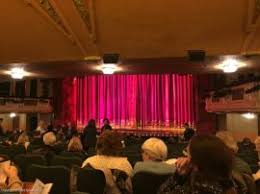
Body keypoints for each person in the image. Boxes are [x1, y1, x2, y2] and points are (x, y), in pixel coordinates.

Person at [158, 135, 237, 194]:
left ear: (196, 161)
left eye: (188, 154)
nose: (186, 159)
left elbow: (162, 192)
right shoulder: (228, 182)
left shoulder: (196, 188)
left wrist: (178, 176)